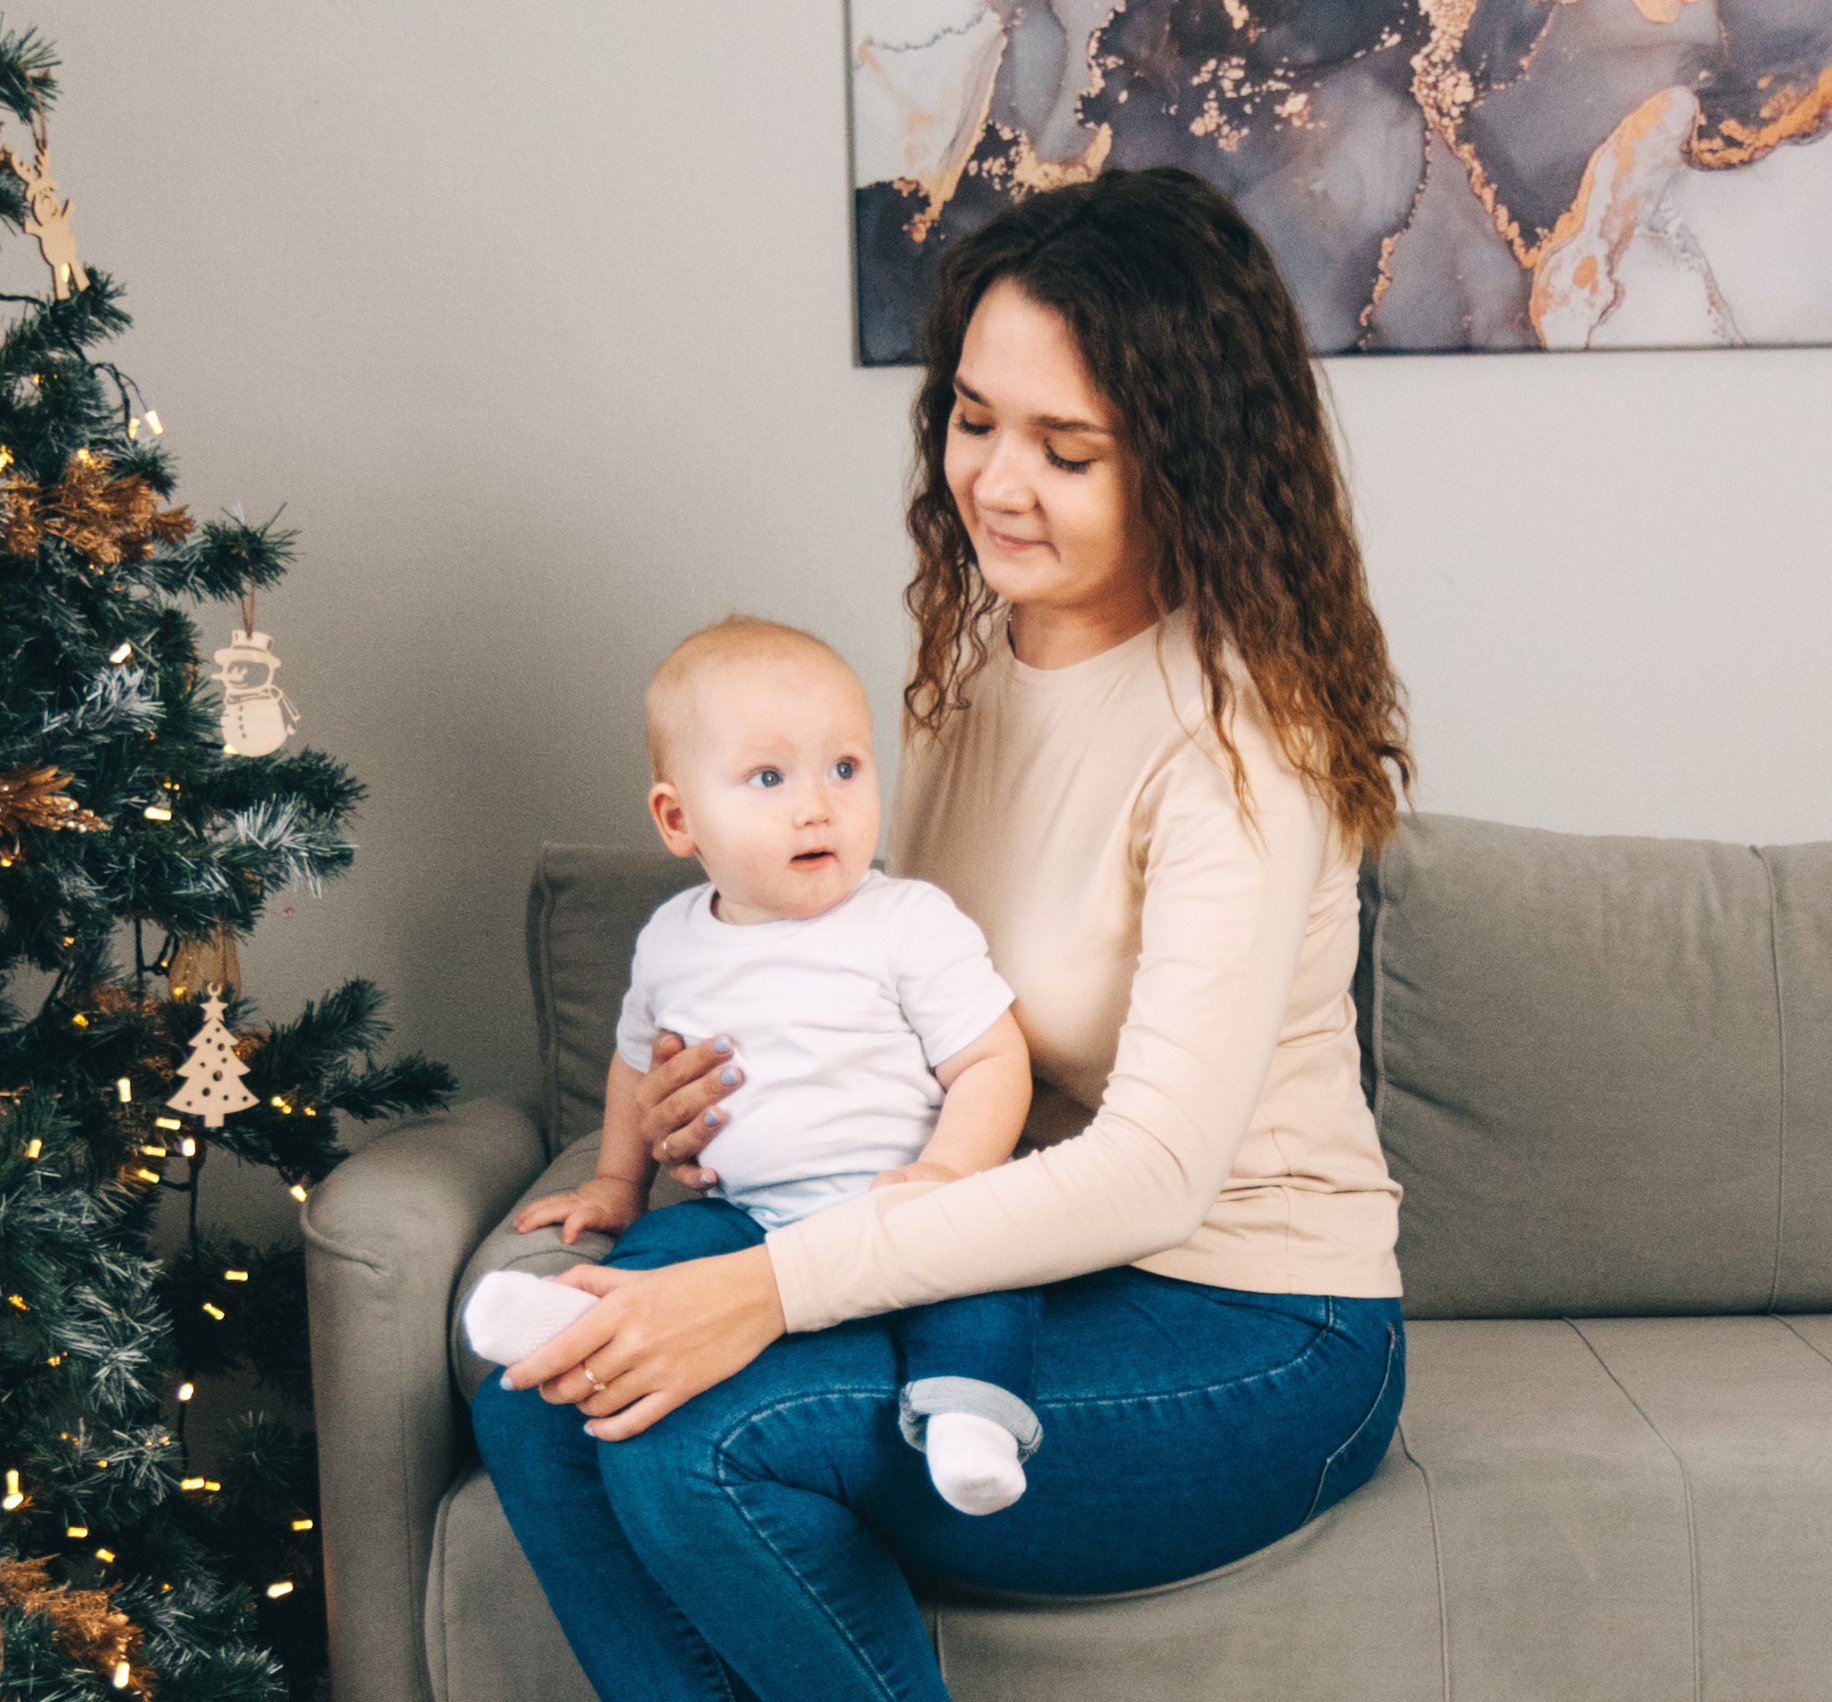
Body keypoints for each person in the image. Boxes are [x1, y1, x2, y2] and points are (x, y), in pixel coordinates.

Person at [468, 164, 1414, 1702]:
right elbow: (927, 1002)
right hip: (1027, 1255)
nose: (997, 484)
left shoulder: (1249, 739)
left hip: (1255, 1317)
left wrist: (764, 1287)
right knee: (538, 1386)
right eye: (975, 420)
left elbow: (1156, 1171)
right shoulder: (970, 663)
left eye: (1068, 448)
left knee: (699, 1433)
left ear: (1187, 457)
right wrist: (738, 1118)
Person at [463, 616, 1042, 1515]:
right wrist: (618, 1185)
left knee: (987, 1287)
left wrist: (948, 1176)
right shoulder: (670, 939)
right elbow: (631, 1069)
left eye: (845, 768)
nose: (817, 806)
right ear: (677, 818)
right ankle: (583, 1324)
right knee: (666, 1247)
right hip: (748, 1222)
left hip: (904, 1212)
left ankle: (970, 1422)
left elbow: (992, 1056)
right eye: (768, 778)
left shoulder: (907, 920)